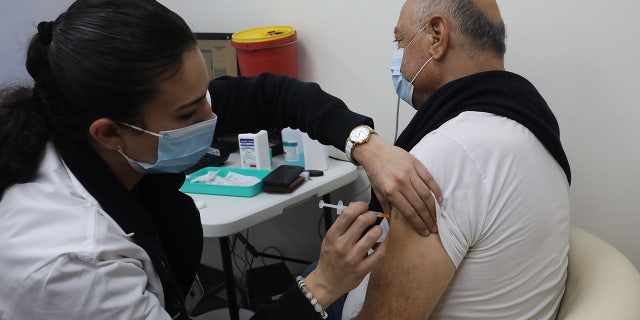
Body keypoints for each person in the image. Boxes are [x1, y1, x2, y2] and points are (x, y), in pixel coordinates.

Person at [0, 0, 441, 319]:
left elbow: (274, 93)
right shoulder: (74, 262)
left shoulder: (109, 129)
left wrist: (367, 144)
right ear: (110, 133)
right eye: (190, 113)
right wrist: (322, 284)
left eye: (204, 96)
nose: (211, 119)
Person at [341, 0, 572, 319]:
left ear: (436, 36)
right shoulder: (530, 125)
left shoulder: (448, 153)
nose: (398, 59)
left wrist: (320, 285)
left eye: (401, 41)